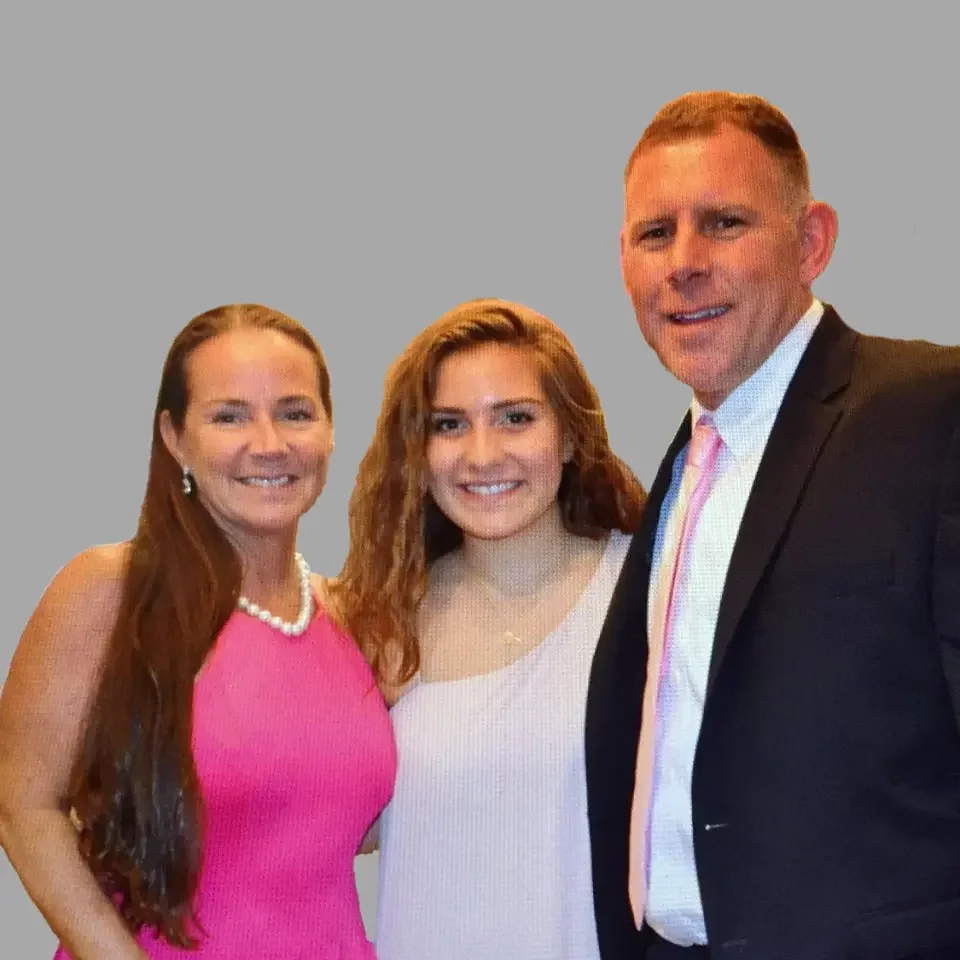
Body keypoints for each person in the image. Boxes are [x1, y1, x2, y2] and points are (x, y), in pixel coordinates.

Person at [584, 90, 960, 960]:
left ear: (812, 242)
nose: (683, 263)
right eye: (654, 234)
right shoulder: (682, 466)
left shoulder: (931, 416)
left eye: (723, 223)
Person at [0, 304, 397, 959]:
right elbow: (23, 805)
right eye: (229, 415)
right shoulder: (111, 589)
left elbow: (348, 826)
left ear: (330, 431)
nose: (269, 443)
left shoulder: (357, 617)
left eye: (296, 412)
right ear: (175, 437)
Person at [329, 298, 646, 959]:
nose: (482, 454)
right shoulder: (378, 621)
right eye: (449, 424)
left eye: (515, 418)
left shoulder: (650, 595)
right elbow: (317, 829)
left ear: (568, 434)